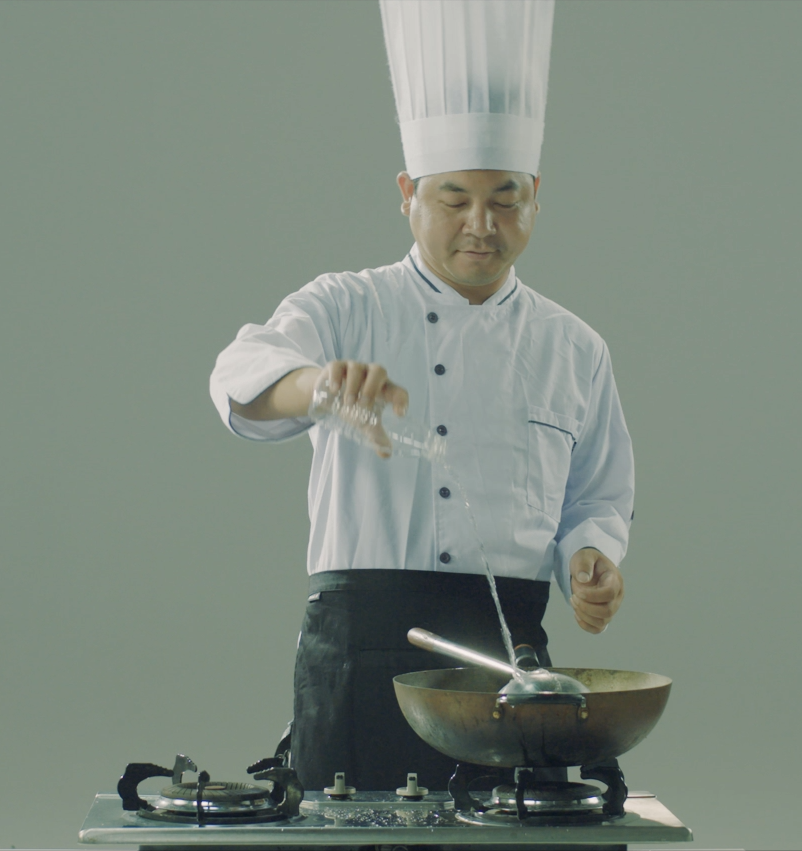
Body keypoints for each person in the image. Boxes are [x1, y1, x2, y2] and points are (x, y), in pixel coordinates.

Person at [206, 0, 632, 796]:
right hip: (359, 651)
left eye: (504, 199)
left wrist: (591, 558)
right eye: (452, 199)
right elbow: (239, 377)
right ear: (406, 193)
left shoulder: (574, 347)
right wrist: (318, 386)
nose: (481, 225)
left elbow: (597, 497)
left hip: (508, 662)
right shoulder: (347, 305)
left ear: (536, 195)